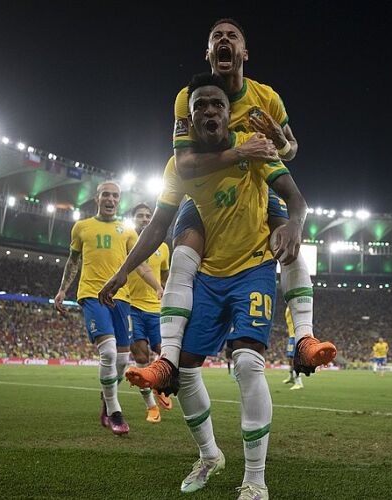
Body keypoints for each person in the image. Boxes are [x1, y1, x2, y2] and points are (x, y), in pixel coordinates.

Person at [99, 73, 308, 500]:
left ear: (229, 112)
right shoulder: (180, 166)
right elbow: (158, 224)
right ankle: (210, 455)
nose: (210, 111)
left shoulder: (255, 146)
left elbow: (294, 193)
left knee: (248, 364)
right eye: (200, 107)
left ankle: (255, 480)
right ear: (188, 120)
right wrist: (124, 270)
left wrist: (292, 225)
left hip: (252, 268)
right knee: (185, 370)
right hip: (209, 278)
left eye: (217, 104)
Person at [127, 17, 335, 396]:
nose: (224, 41)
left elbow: (291, 150)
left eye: (232, 36)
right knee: (183, 253)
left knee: (286, 237)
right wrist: (240, 150)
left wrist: (279, 143)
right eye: (216, 37)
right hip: (202, 191)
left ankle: (303, 337)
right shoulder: (184, 98)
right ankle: (169, 359)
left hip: (254, 183)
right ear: (208, 53)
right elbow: (184, 164)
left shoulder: (267, 97)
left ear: (244, 52)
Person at [53, 181, 163, 436]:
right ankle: (115, 411)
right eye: (106, 195)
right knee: (110, 353)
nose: (110, 199)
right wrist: (62, 290)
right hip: (92, 294)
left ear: (119, 200)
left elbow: (141, 265)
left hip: (121, 298)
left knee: (123, 358)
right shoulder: (81, 227)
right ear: (97, 198)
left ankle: (106, 397)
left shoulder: (127, 231)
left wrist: (158, 287)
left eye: (115, 196)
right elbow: (73, 261)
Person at [127, 202, 173, 422]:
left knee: (164, 353)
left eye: (148, 216)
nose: (145, 219)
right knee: (141, 356)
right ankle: (151, 407)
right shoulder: (126, 241)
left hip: (155, 309)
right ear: (133, 219)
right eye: (140, 215)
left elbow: (165, 274)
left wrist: (161, 291)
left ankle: (159, 386)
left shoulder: (163, 248)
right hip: (131, 306)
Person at [282, 308, 303, 390]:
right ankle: (291, 377)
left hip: (296, 336)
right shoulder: (288, 308)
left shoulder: (294, 307)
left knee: (295, 359)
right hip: (291, 337)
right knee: (290, 358)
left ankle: (299, 382)